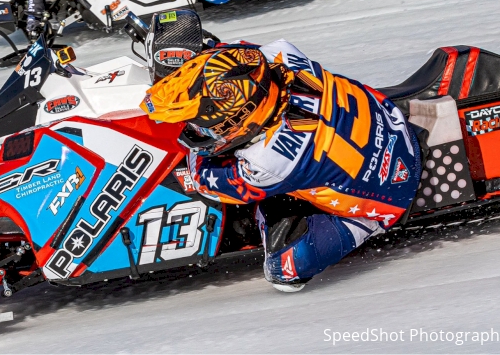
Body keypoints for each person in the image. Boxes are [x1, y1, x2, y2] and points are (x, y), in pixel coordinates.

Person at [139, 39, 422, 292]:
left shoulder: (270, 161)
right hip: (390, 121)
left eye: (207, 128)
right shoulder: (282, 53)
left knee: (284, 270)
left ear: (244, 118)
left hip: (388, 195)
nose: (199, 131)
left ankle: (367, 224)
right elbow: (234, 52)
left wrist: (191, 144)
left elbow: (204, 179)